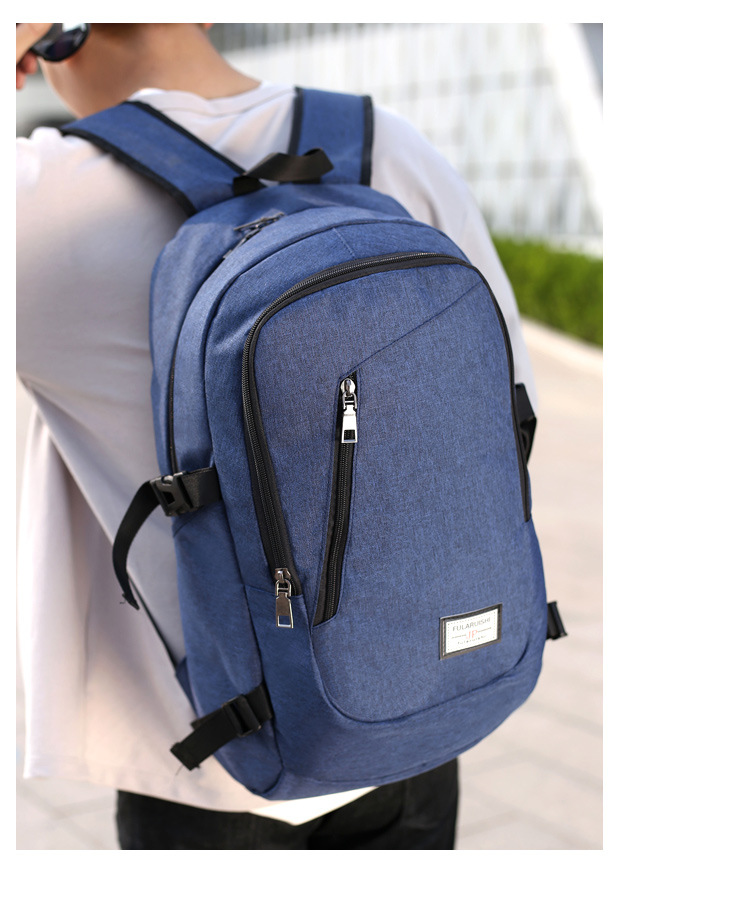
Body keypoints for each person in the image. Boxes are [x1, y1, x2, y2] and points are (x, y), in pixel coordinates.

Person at [16, 23, 538, 850]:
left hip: (215, 763)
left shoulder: (39, 198)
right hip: (420, 717)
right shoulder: (390, 145)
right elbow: (510, 407)